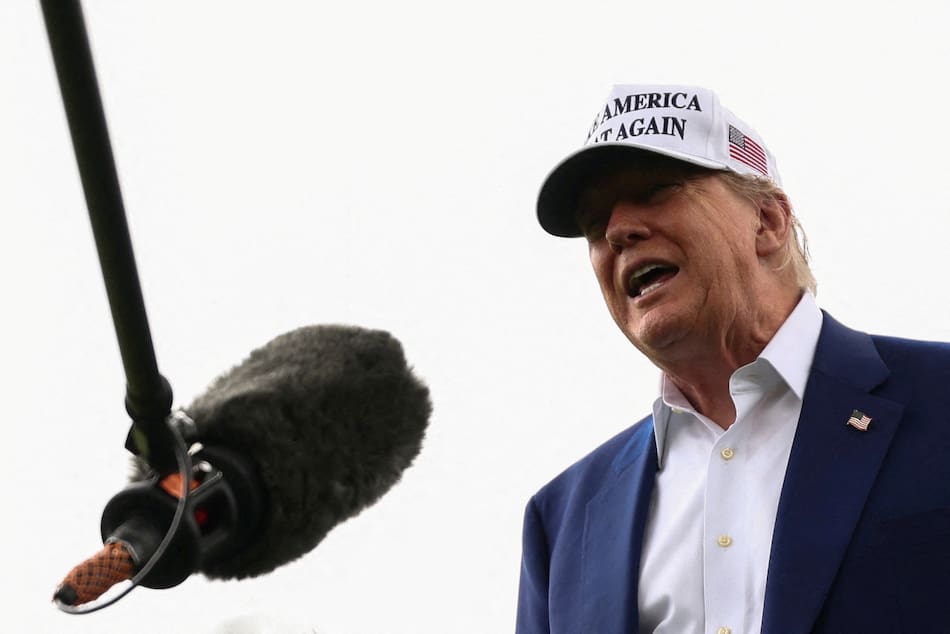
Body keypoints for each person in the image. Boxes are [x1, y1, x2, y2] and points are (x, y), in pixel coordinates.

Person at [516, 84, 950, 634]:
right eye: (593, 221)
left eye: (655, 191)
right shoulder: (563, 520)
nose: (617, 231)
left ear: (767, 222)